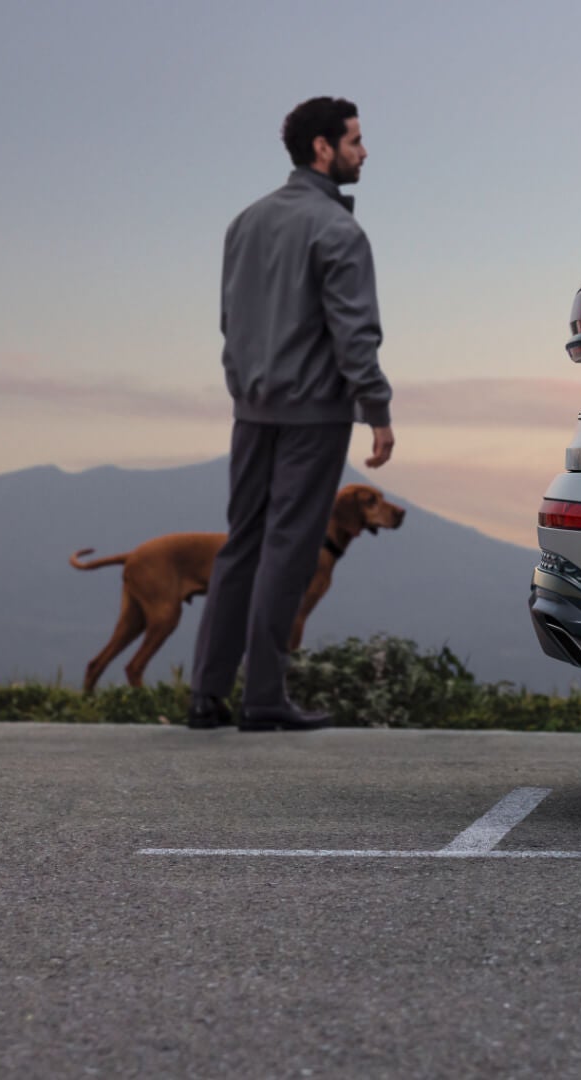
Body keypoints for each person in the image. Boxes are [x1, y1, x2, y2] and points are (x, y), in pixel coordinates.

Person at [188, 96, 395, 732]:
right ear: (323, 149)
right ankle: (264, 699)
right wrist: (376, 409)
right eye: (355, 141)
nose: (365, 151)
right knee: (289, 548)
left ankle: (206, 696)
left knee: (241, 544)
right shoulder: (339, 231)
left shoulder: (245, 222)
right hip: (313, 413)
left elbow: (230, 321)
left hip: (251, 409)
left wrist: (243, 388)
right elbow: (353, 332)